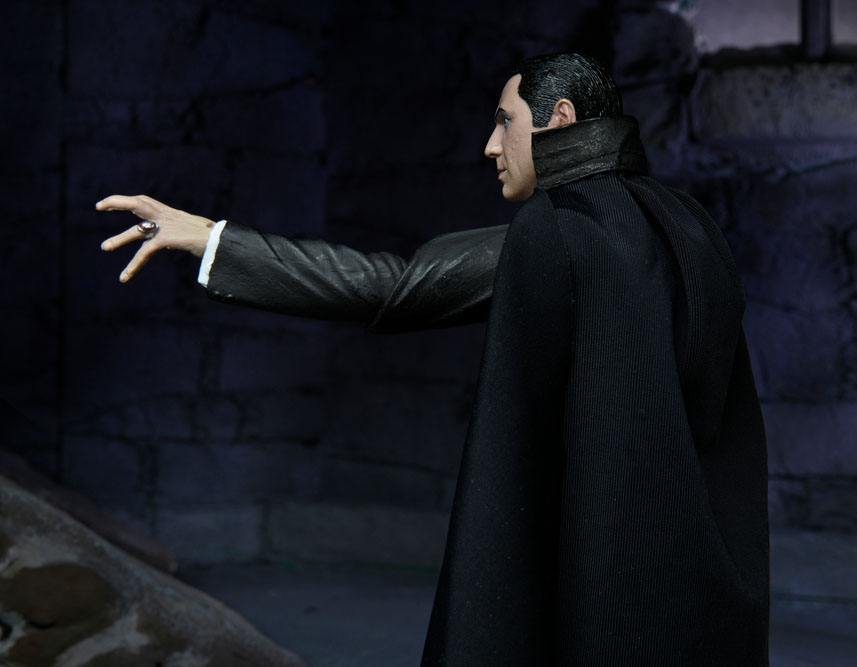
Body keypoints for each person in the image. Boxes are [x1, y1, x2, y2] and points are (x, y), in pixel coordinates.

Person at [97, 52, 770, 665]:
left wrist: (206, 237)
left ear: (559, 119)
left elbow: (395, 287)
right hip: (696, 585)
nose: (490, 145)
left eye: (504, 122)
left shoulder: (558, 232)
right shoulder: (684, 223)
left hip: (597, 592)